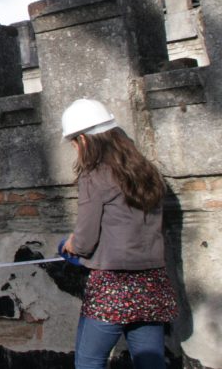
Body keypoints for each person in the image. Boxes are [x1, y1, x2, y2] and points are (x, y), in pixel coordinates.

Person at [60, 99, 178, 369]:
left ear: (84, 139)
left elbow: (85, 241)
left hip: (112, 284)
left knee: (89, 362)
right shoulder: (146, 170)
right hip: (151, 281)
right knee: (150, 363)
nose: (75, 149)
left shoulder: (94, 175)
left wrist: (70, 244)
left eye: (74, 143)